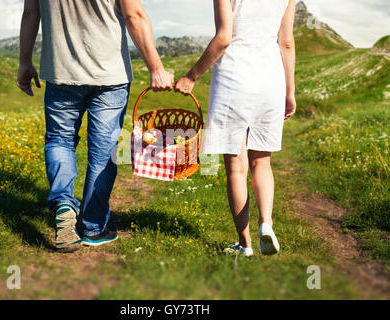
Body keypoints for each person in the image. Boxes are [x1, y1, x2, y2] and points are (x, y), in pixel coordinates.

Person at [17, 0, 173, 253]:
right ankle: (92, 227)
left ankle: (64, 205)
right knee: (103, 152)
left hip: (61, 73)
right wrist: (156, 68)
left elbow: (30, 13)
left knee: (60, 141)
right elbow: (134, 15)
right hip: (110, 76)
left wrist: (25, 61)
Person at [175, 0, 296, 256]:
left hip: (234, 78)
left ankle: (245, 244)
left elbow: (223, 38)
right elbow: (286, 42)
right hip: (271, 80)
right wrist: (290, 90)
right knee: (262, 162)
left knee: (236, 168)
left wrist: (191, 76)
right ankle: (266, 224)